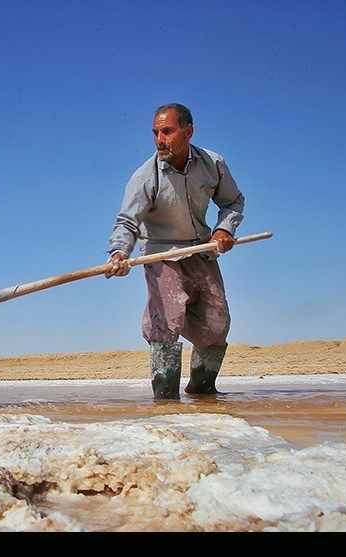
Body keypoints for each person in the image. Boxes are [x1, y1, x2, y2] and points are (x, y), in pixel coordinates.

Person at [104, 103, 245, 399]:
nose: (159, 139)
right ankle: (166, 401)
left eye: (167, 131)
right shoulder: (145, 177)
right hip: (162, 254)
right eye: (155, 133)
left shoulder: (213, 163)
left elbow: (233, 201)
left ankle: (203, 393)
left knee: (218, 321)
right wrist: (119, 253)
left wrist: (224, 229)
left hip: (202, 249)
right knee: (167, 321)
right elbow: (127, 222)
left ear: (188, 131)